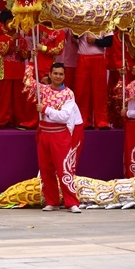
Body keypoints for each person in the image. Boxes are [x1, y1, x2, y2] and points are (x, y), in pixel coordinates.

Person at [24, 62, 83, 213]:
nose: (58, 76)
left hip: (60, 134)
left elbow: (64, 117)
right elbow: (28, 81)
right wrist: (32, 61)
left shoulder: (68, 94)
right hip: (44, 132)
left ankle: (72, 202)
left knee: (64, 169)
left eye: (61, 74)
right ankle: (52, 201)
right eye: (55, 73)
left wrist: (45, 109)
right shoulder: (42, 90)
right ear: (49, 75)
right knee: (46, 169)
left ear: (64, 76)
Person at [75, 33, 112, 129]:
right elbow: (74, 36)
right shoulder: (80, 20)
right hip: (82, 58)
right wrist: (79, 29)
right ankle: (83, 121)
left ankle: (102, 122)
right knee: (82, 91)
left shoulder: (104, 21)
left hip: (98, 58)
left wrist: (95, 41)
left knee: (100, 91)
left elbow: (109, 42)